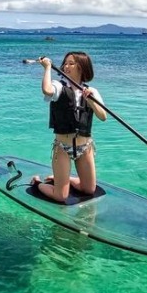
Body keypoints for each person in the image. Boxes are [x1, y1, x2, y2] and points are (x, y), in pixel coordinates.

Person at [31, 52, 107, 203]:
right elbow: (47, 90)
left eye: (71, 63)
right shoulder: (59, 86)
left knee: (89, 189)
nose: (66, 66)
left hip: (85, 148)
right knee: (61, 197)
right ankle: (37, 183)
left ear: (81, 67)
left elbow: (103, 116)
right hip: (63, 148)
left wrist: (90, 99)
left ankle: (62, 179)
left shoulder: (92, 91)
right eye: (65, 63)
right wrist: (47, 68)